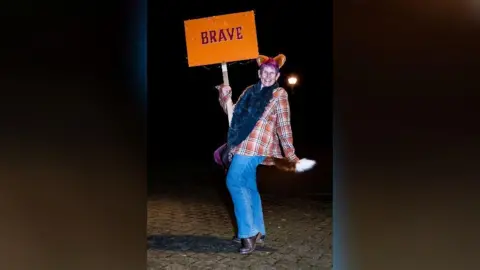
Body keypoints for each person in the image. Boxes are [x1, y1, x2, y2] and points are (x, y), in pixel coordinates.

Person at [214, 54, 315, 254]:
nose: (268, 76)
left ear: (277, 76)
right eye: (265, 72)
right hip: (240, 144)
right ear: (259, 73)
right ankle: (258, 230)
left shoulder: (279, 95)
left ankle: (247, 233)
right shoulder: (249, 91)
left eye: (272, 73)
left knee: (233, 181)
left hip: (257, 146)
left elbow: (284, 126)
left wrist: (291, 155)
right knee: (248, 186)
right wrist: (224, 96)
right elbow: (232, 115)